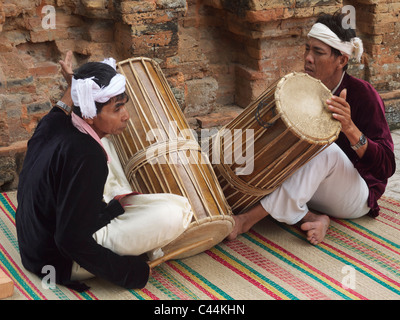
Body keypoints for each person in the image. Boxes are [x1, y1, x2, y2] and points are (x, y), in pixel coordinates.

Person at [228, 11, 396, 245]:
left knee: (325, 150)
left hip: (356, 194)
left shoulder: (364, 95)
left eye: (318, 52)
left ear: (342, 60)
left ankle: (247, 220)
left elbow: (386, 167)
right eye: (307, 49)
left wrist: (350, 129)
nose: (308, 57)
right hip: (312, 186)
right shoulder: (301, 87)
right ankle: (313, 217)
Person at [16, 53, 151, 291]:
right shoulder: (88, 156)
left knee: (104, 146)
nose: (126, 115)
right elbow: (70, 240)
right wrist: (130, 273)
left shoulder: (51, 123)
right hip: (57, 260)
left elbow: (61, 107)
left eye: (124, 105)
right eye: (117, 108)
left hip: (31, 244)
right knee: (175, 211)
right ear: (89, 114)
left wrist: (73, 83)